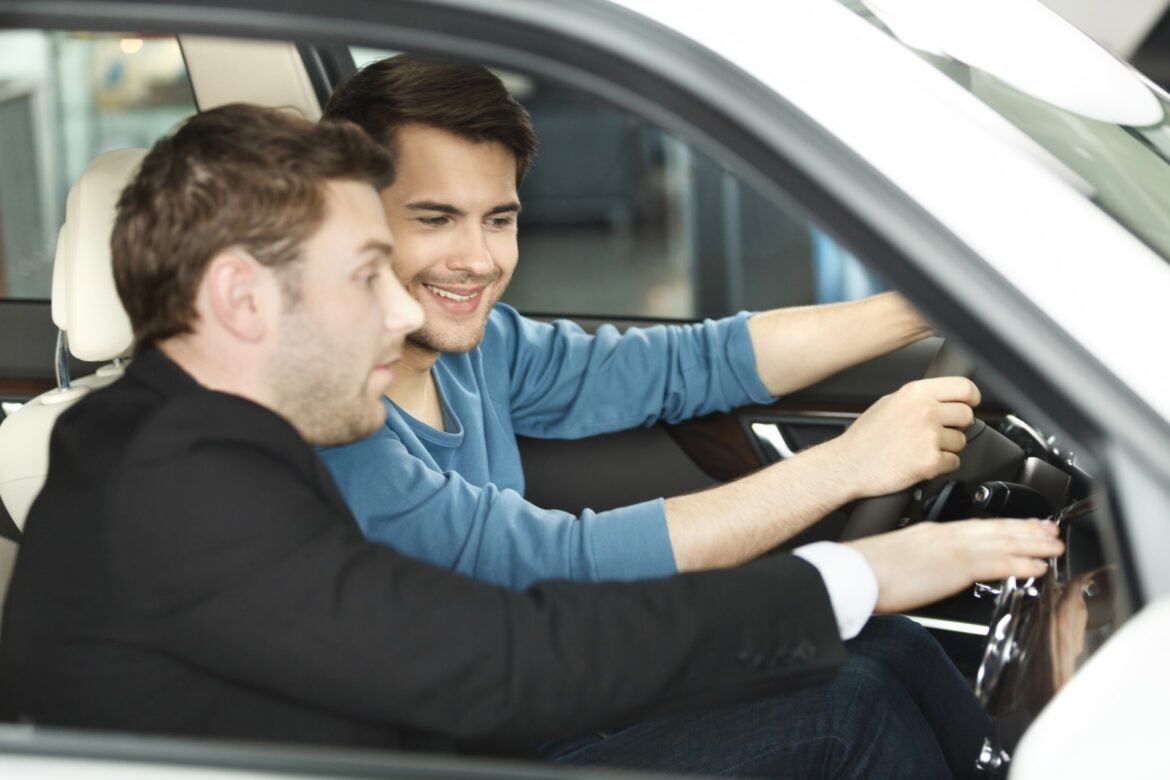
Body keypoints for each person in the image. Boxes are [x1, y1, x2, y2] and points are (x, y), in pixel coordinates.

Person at [0, 103, 1060, 779]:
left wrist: (852, 586)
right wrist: (857, 571)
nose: (406, 312)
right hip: (461, 740)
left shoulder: (187, 436)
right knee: (852, 703)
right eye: (369, 275)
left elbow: (678, 376)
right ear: (240, 299)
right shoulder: (179, 483)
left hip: (438, 737)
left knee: (876, 656)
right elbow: (507, 654)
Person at [316, 55, 1040, 777]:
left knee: (885, 643)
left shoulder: (477, 348)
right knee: (851, 706)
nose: (477, 260)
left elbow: (688, 364)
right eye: (435, 219)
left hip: (545, 693)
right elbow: (559, 564)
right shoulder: (331, 423)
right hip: (465, 754)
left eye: (498, 220)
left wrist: (927, 307)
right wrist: (846, 466)